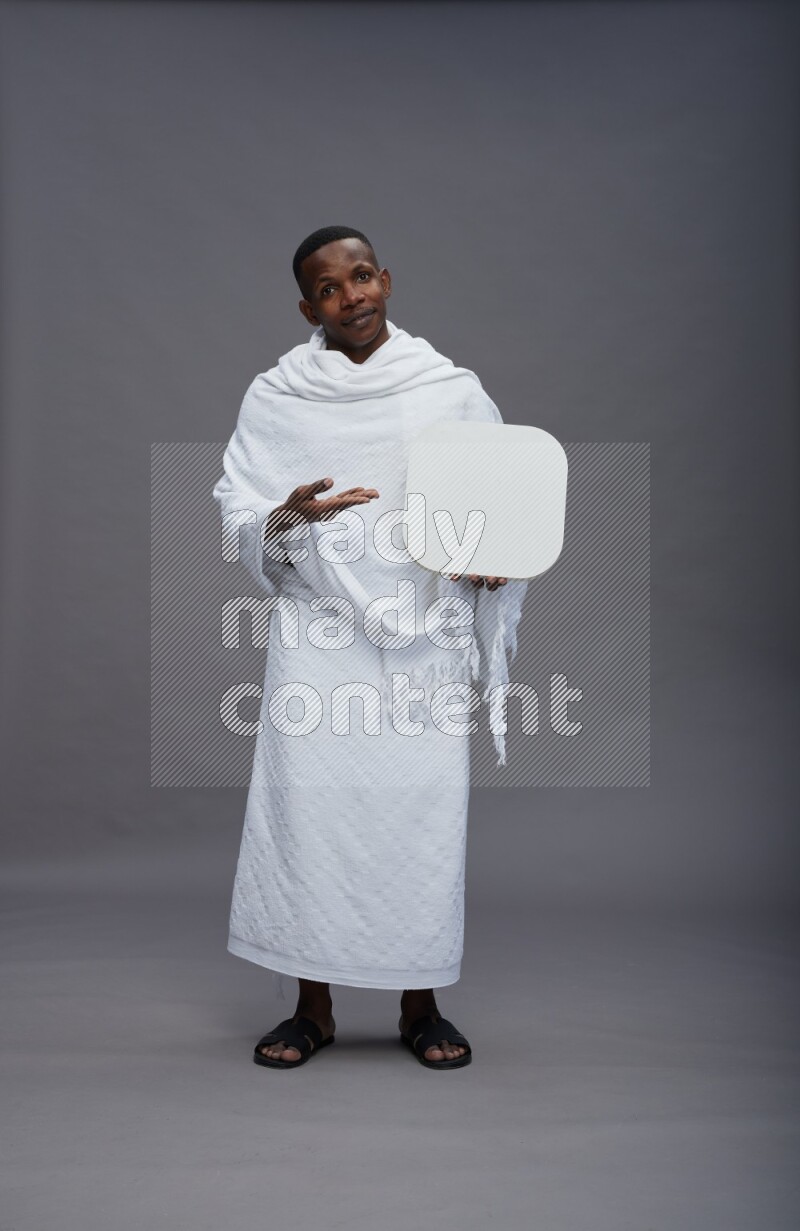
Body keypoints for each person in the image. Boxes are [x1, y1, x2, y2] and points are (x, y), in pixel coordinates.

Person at [213, 226, 528, 1070]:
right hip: (320, 633)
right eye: (328, 288)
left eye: (361, 277)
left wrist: (492, 556)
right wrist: (288, 515)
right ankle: (311, 1009)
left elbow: (498, 499)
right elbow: (242, 514)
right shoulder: (277, 396)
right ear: (307, 306)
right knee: (310, 815)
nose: (350, 297)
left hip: (423, 638)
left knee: (417, 818)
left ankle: (420, 1003)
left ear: (386, 278)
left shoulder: (448, 390)